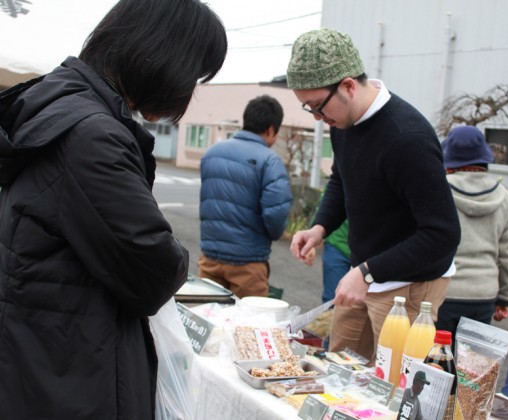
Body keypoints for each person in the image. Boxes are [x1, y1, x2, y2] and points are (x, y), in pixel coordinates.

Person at [0, 0, 227, 418]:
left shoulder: (57, 106)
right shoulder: (92, 136)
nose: (189, 91)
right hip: (77, 376)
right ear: (162, 54)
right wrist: (175, 253)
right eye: (193, 75)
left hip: (46, 358)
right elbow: (154, 268)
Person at [287, 28, 461, 363]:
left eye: (317, 107)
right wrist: (320, 227)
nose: (319, 119)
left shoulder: (407, 137)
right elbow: (342, 179)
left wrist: (367, 272)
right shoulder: (344, 123)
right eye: (309, 110)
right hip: (366, 272)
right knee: (340, 366)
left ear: (348, 86)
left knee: (395, 383)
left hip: (411, 283)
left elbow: (443, 234)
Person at [198, 95, 292, 298]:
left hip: (210, 258)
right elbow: (276, 215)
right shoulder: (269, 161)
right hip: (248, 262)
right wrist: (274, 234)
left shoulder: (212, 153)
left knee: (208, 319)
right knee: (247, 324)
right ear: (270, 129)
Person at [435, 126, 508, 340]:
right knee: (471, 368)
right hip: (484, 294)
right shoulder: (503, 196)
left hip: (443, 292)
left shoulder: (438, 189)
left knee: (437, 366)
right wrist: (504, 299)